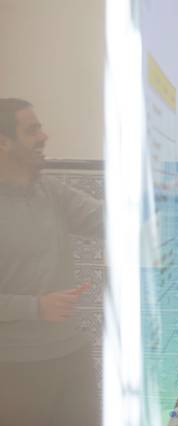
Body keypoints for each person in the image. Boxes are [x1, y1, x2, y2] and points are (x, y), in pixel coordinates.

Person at [0, 98, 103, 426]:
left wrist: (165, 189)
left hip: (71, 355)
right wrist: (34, 308)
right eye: (32, 130)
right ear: (4, 142)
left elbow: (108, 219)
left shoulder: (51, 192)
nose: (44, 137)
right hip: (13, 367)